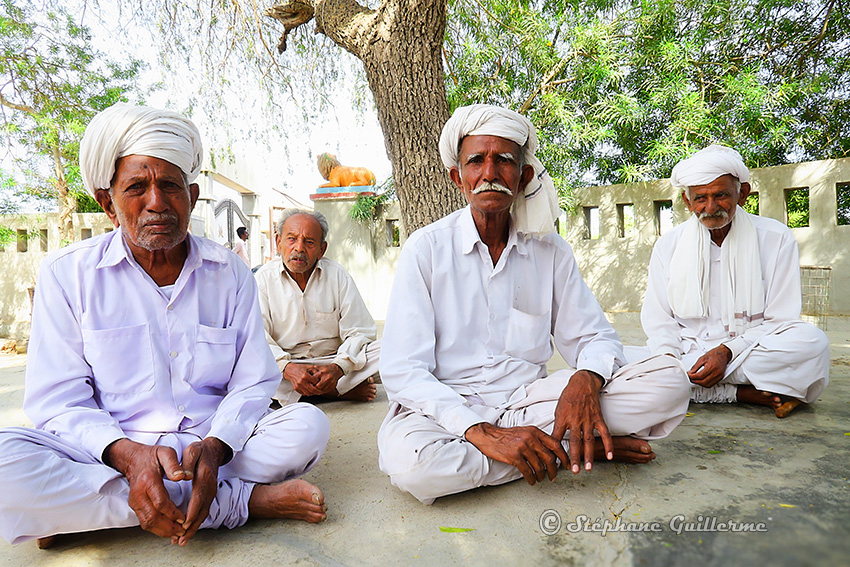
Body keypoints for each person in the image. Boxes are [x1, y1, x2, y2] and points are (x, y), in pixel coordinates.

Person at [0, 103, 330, 548]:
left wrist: (217, 445)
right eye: (137, 186)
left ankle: (88, 512)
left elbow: (254, 382)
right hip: (111, 451)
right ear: (108, 203)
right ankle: (243, 504)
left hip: (209, 447)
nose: (157, 202)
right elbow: (58, 401)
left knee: (308, 427)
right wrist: (130, 457)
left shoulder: (229, 272)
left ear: (191, 197)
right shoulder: (67, 274)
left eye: (171, 186)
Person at [376, 104, 690, 505]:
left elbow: (595, 336)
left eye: (504, 160)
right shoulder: (427, 249)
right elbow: (404, 371)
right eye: (476, 161)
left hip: (530, 404)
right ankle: (574, 450)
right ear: (458, 178)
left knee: (669, 381)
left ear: (523, 176)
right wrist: (481, 431)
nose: (489, 172)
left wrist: (586, 379)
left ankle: (548, 445)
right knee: (413, 468)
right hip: (446, 413)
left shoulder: (550, 250)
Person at [636, 144, 829, 417]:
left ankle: (690, 387)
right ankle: (737, 391)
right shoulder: (669, 244)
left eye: (721, 195)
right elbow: (659, 321)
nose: (711, 207)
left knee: (812, 343)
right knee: (624, 363)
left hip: (748, 349)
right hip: (687, 350)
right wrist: (667, 361)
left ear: (743, 194)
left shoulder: (776, 238)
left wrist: (727, 352)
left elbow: (781, 321)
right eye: (700, 198)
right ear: (687, 201)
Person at [256, 209, 380, 405]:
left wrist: (338, 367)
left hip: (332, 363)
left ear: (322, 249)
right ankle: (337, 392)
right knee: (249, 366)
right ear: (278, 242)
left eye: (309, 242)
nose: (299, 248)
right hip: (287, 368)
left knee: (387, 348)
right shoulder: (263, 280)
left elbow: (360, 331)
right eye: (291, 239)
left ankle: (317, 390)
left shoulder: (338, 276)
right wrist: (287, 368)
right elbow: (257, 338)